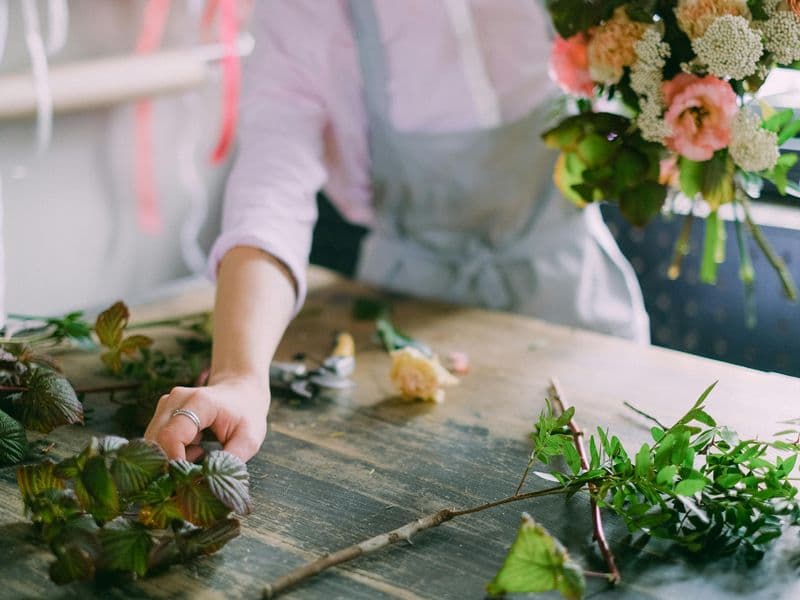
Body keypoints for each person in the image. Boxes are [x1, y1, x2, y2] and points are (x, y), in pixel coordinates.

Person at [144, 0, 649, 462]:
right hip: (403, 334)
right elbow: (271, 190)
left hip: (581, 312)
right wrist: (240, 378)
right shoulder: (304, 11)